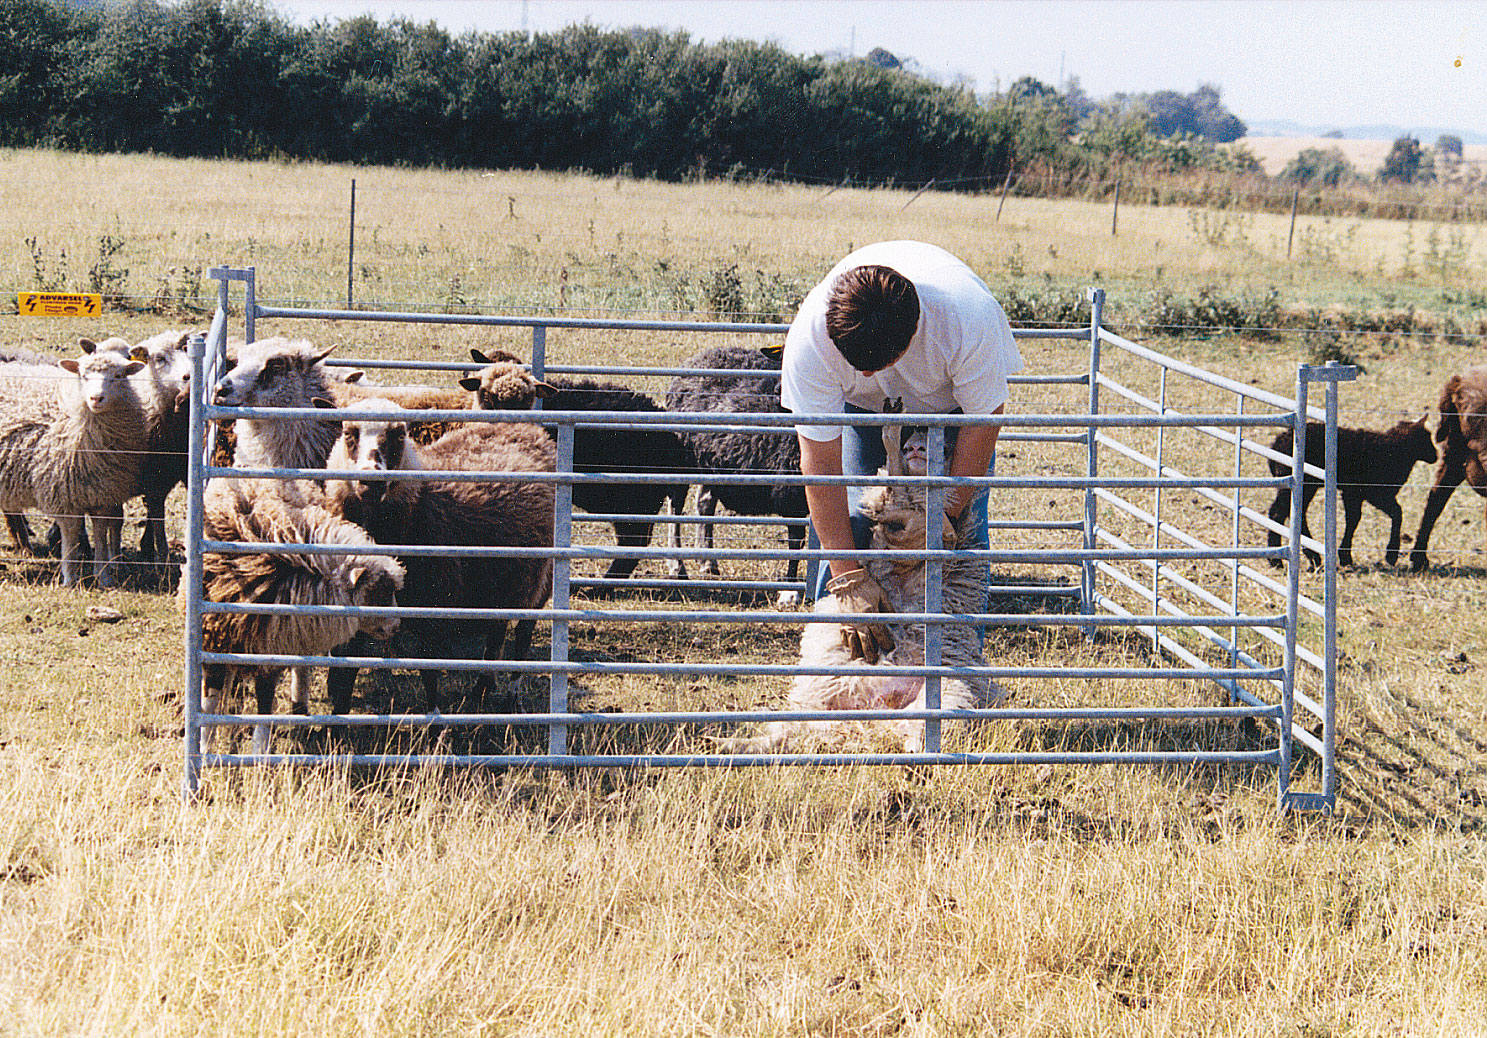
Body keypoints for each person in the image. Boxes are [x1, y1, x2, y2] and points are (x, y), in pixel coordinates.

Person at [780, 240, 1024, 662]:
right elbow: (819, 465)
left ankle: (954, 666)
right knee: (855, 521)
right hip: (863, 410)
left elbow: (984, 419)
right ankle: (831, 667)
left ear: (913, 334)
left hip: (955, 414)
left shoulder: (966, 319)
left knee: (963, 538)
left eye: (878, 362)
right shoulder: (811, 341)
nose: (870, 372)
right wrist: (847, 578)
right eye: (859, 365)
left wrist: (946, 514)